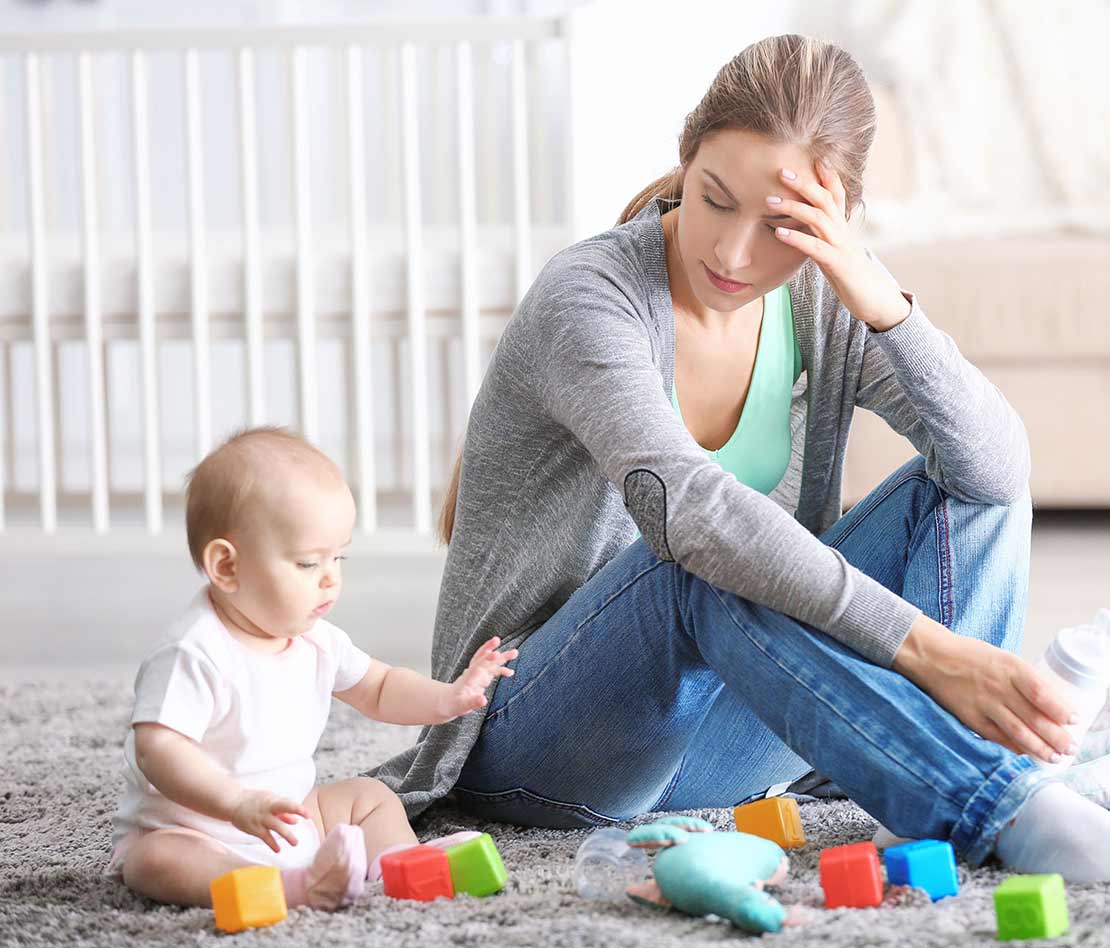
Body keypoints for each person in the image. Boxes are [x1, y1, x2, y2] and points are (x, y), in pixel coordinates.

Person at [364, 34, 1110, 882]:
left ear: (835, 224)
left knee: (962, 487)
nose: (731, 253)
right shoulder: (590, 298)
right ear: (685, 161)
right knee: (704, 555)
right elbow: (696, 519)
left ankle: (957, 776)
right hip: (539, 743)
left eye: (782, 227)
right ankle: (998, 802)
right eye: (714, 200)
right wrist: (931, 653)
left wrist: (884, 306)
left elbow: (997, 471)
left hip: (720, 750)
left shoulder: (821, 297)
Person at [105, 425, 517, 909]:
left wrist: (447, 698)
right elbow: (159, 749)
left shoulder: (315, 641)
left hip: (290, 816)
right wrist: (236, 804)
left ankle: (402, 866)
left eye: (338, 557)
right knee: (155, 860)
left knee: (367, 796)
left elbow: (379, 687)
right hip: (203, 829)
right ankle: (288, 890)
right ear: (226, 567)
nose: (330, 580)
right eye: (306, 564)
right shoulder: (193, 652)